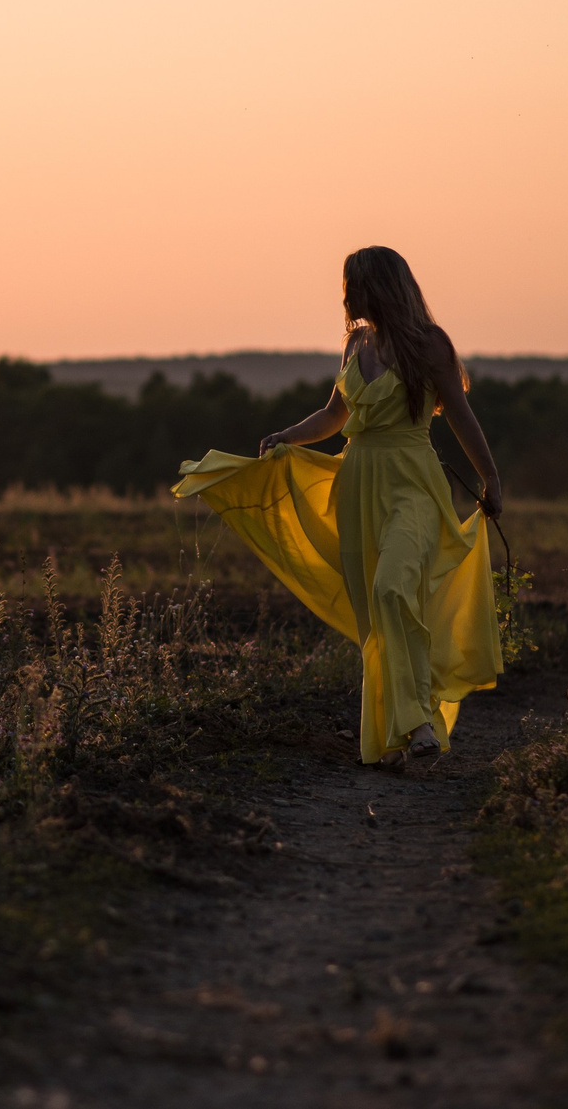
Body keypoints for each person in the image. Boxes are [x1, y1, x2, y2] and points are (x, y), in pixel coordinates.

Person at [173, 247, 504, 764]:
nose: (346, 297)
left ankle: (418, 720)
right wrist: (288, 436)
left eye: (354, 285)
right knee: (374, 614)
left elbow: (460, 414)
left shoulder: (430, 344)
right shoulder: (355, 344)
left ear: (381, 287)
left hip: (413, 482)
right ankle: (393, 739)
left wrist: (491, 476)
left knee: (393, 589)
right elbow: (334, 415)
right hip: (358, 484)